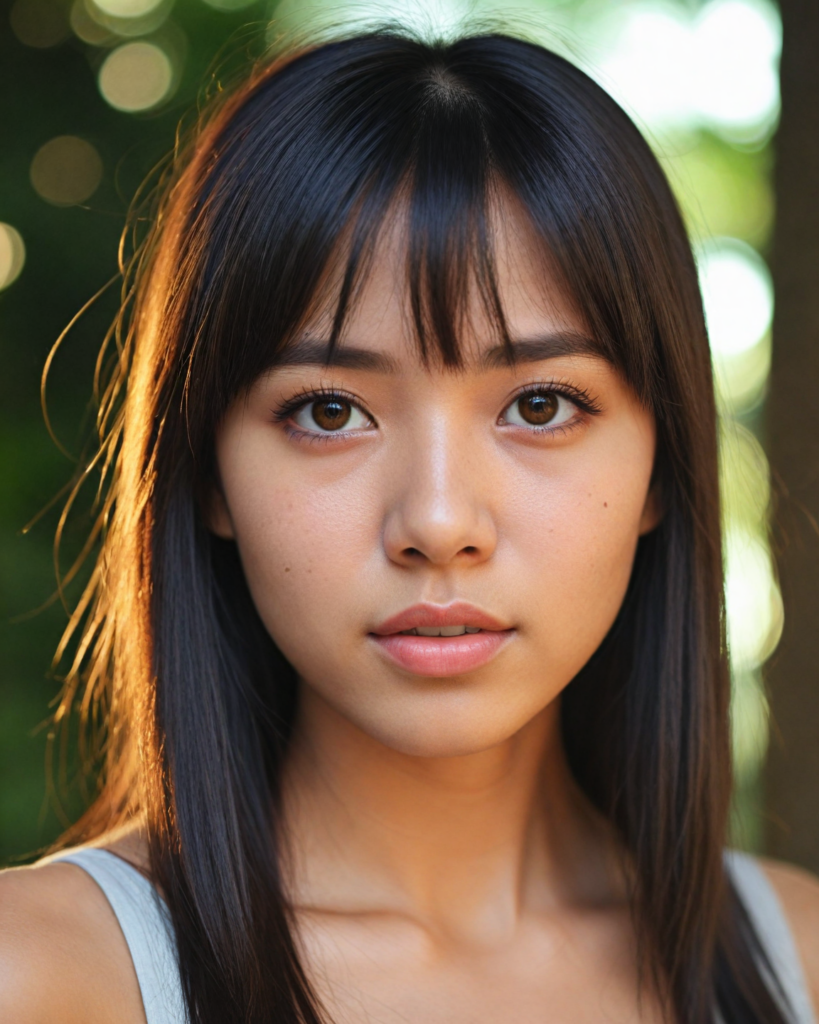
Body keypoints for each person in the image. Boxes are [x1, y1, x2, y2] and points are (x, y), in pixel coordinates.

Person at [0, 30, 817, 1024]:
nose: (437, 521)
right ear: (209, 473)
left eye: (543, 404)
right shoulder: (46, 974)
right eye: (330, 411)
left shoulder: (799, 963)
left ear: (662, 466)